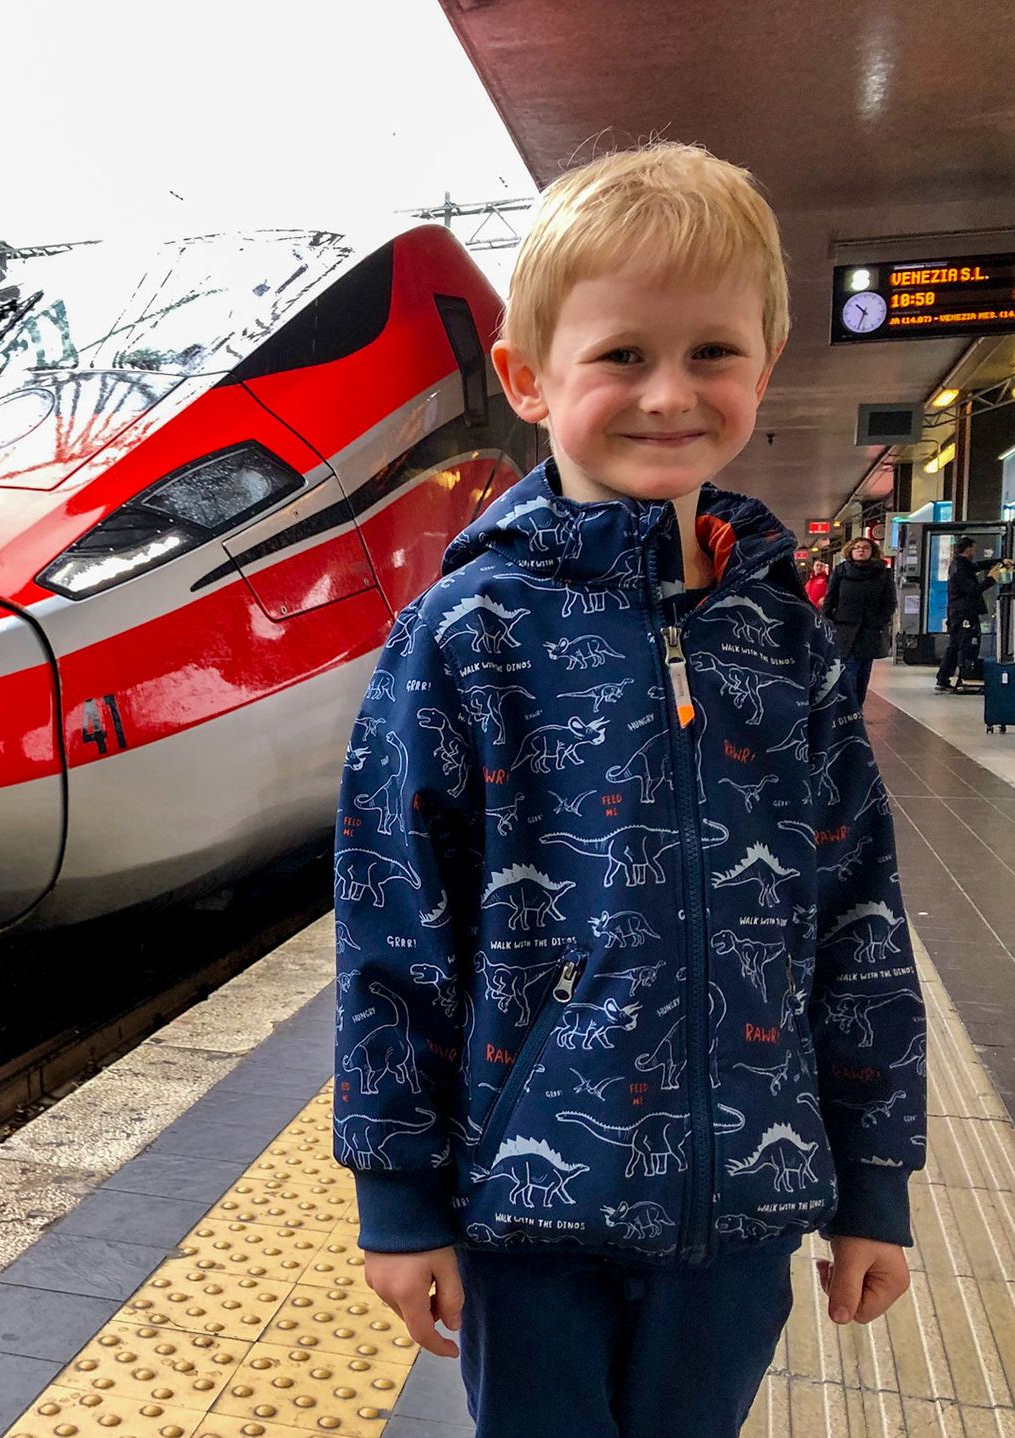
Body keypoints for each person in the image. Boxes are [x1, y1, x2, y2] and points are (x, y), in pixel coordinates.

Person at [336, 142, 924, 1438]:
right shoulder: (465, 635)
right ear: (527, 379)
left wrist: (873, 1179)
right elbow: (393, 927)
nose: (669, 392)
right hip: (529, 1213)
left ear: (766, 366)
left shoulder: (787, 644)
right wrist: (397, 1194)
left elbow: (858, 918)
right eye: (620, 354)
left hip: (742, 1211)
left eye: (712, 350)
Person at [824, 537, 894, 702]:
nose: (861, 550)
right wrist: (827, 622)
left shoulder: (882, 573)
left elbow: (889, 602)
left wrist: (880, 621)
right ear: (850, 551)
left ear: (872, 552)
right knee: (849, 671)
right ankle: (850, 708)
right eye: (857, 547)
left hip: (870, 630)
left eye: (866, 547)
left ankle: (857, 707)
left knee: (863, 672)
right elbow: (830, 598)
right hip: (845, 630)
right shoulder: (841, 571)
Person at [934, 536, 997, 692]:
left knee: (955, 645)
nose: (974, 552)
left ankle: (944, 678)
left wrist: (999, 561)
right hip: (964, 614)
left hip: (959, 613)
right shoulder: (960, 569)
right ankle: (964, 676)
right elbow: (972, 590)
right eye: (973, 549)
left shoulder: (960, 565)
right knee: (966, 645)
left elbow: (978, 566)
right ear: (968, 549)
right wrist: (990, 579)